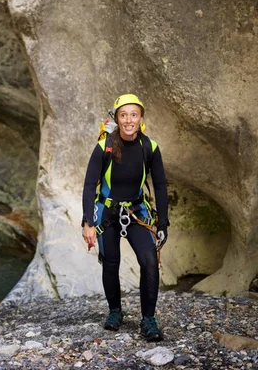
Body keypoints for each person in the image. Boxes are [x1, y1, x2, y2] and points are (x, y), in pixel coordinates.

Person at [82, 93, 169, 342]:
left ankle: (148, 320)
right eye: (123, 115)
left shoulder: (149, 147)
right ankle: (115, 312)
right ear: (117, 118)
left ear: (141, 118)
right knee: (111, 262)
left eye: (134, 114)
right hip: (107, 213)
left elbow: (160, 185)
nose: (128, 120)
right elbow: (89, 186)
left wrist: (163, 222)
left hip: (136, 212)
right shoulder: (104, 147)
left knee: (149, 261)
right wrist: (88, 222)